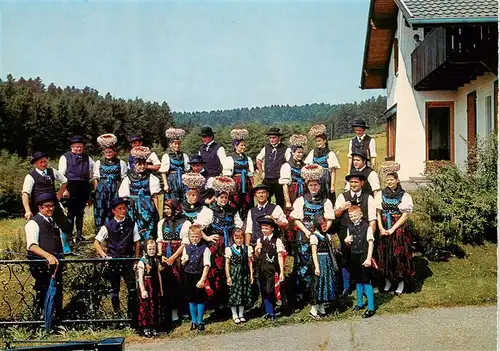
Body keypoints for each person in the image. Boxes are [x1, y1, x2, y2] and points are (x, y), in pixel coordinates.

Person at [196, 176, 243, 312]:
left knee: (230, 271)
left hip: (230, 242)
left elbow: (238, 226)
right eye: (220, 197)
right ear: (215, 198)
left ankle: (231, 300)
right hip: (216, 245)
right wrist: (208, 237)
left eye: (225, 198)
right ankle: (215, 303)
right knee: (216, 271)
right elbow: (197, 227)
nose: (223, 200)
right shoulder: (209, 210)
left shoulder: (232, 210)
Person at [290, 164, 335, 306]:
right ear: (307, 186)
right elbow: (296, 220)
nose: (314, 188)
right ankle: (306, 295)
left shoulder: (326, 201)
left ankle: (321, 295)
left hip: (320, 238)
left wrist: (323, 232)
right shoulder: (301, 200)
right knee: (304, 266)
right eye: (311, 185)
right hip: (304, 237)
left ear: (320, 186)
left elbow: (329, 219)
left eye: (316, 185)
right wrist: (307, 232)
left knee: (320, 266)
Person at [94, 197, 141, 319]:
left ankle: (132, 315)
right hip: (113, 262)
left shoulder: (132, 224)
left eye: (124, 208)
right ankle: (117, 315)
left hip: (127, 261)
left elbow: (137, 242)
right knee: (114, 290)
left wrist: (135, 259)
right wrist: (104, 255)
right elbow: (96, 242)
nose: (123, 211)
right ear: (114, 211)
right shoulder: (107, 226)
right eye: (120, 209)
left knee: (132, 290)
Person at [334, 171, 376, 297]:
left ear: (362, 183)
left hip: (363, 233)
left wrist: (370, 236)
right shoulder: (342, 196)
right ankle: (346, 287)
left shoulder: (368, 197)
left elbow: (372, 219)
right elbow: (335, 215)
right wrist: (342, 208)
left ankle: (363, 286)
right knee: (345, 258)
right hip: (346, 232)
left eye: (356, 182)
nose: (353, 184)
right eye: (351, 182)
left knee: (361, 259)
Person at [25, 193, 64, 322]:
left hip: (55, 265)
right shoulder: (33, 223)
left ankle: (55, 321)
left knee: (56, 292)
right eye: (47, 206)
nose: (51, 209)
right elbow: (32, 246)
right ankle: (41, 322)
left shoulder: (53, 222)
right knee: (43, 293)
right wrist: (47, 256)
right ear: (40, 207)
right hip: (41, 265)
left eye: (52, 206)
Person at [22, 151, 72, 254]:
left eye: (45, 161)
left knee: (65, 224)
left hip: (54, 204)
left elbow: (65, 181)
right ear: (35, 164)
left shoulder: (52, 171)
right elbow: (25, 194)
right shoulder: (30, 176)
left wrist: (59, 195)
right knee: (41, 227)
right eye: (41, 162)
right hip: (39, 207)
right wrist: (27, 210)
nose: (44, 164)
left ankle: (66, 249)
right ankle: (42, 250)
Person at [376, 171, 414, 295]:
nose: (389, 182)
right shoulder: (381, 194)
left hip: (398, 229)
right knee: (384, 254)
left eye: (392, 179)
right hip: (384, 227)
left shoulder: (404, 195)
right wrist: (381, 228)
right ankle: (388, 281)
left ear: (397, 180)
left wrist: (393, 229)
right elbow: (378, 212)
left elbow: (405, 216)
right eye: (387, 180)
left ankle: (400, 282)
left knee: (398, 255)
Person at [156, 200, 190, 327]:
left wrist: (174, 257)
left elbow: (185, 242)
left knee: (177, 283)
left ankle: (177, 313)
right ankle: (167, 313)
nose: (166, 211)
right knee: (165, 284)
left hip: (178, 254)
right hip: (164, 254)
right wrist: (161, 255)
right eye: (165, 208)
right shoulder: (161, 222)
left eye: (168, 208)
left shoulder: (185, 222)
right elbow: (159, 240)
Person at [118, 146, 161, 241]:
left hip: (147, 205)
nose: (142, 166)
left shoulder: (151, 177)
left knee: (148, 223)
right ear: (135, 165)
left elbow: (154, 196)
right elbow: (124, 196)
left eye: (143, 164)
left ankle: (148, 245)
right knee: (134, 225)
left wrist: (157, 210)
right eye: (139, 164)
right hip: (133, 205)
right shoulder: (129, 178)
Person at [58, 135, 94, 243]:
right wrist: (64, 190)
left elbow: (91, 174)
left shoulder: (88, 158)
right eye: (76, 146)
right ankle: (69, 237)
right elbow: (61, 175)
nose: (78, 149)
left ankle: (79, 236)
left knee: (80, 212)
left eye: (80, 146)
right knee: (70, 213)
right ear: (72, 147)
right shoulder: (65, 157)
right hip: (70, 186)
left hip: (83, 186)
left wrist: (89, 191)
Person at [92, 134, 128, 233]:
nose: (108, 154)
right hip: (102, 189)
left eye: (110, 152)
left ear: (114, 152)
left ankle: (115, 230)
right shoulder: (99, 163)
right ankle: (101, 231)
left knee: (114, 208)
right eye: (106, 152)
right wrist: (96, 191)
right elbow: (96, 178)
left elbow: (123, 178)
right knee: (101, 209)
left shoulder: (121, 163)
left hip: (115, 188)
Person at [345, 206, 376, 318]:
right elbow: (349, 242)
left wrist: (368, 258)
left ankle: (371, 308)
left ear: (361, 214)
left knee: (366, 281)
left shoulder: (367, 227)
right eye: (351, 216)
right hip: (354, 256)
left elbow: (371, 243)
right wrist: (346, 242)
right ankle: (359, 303)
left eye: (355, 215)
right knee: (357, 279)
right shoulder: (349, 227)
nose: (353, 218)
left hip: (364, 256)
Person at [181, 224, 211, 331]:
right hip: (188, 275)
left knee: (200, 299)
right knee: (191, 299)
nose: (194, 239)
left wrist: (202, 279)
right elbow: (183, 263)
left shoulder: (205, 249)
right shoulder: (186, 248)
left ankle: (200, 321)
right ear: (189, 237)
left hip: (199, 276)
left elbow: (206, 265)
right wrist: (184, 260)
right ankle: (193, 321)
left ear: (200, 237)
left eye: (196, 237)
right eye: (192, 236)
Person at [255, 217, 285, 320]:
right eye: (263, 228)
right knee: (263, 290)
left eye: (266, 228)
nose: (264, 230)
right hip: (262, 268)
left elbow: (280, 256)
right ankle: (268, 311)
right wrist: (257, 249)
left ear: (272, 228)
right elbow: (257, 256)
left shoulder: (277, 241)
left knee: (270, 290)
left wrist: (281, 272)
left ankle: (272, 311)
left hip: (272, 269)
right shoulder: (260, 240)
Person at [309, 215, 339, 319]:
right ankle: (313, 310)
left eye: (325, 224)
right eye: (322, 225)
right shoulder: (314, 237)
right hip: (320, 261)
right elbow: (313, 253)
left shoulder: (326, 236)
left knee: (324, 284)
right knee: (318, 284)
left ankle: (321, 308)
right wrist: (317, 267)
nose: (324, 226)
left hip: (327, 262)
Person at [244, 184, 288, 252]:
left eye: (263, 192)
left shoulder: (276, 208)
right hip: (255, 245)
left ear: (267, 194)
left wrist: (275, 221)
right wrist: (247, 248)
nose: (261, 195)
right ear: (255, 196)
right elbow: (249, 230)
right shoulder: (251, 211)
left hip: (272, 245)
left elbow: (286, 224)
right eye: (259, 193)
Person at [222, 129, 255, 220]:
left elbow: (250, 174)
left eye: (244, 145)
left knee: (247, 202)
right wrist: (229, 189)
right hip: (235, 183)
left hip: (246, 183)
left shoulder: (247, 158)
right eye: (241, 145)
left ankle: (247, 220)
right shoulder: (230, 158)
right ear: (235, 146)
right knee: (235, 201)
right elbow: (227, 176)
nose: (244, 147)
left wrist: (253, 186)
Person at [255, 127, 292, 208]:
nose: (271, 140)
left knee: (280, 200)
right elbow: (258, 159)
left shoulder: (286, 149)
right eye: (270, 138)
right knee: (264, 198)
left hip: (279, 179)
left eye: (274, 138)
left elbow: (290, 163)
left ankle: (279, 217)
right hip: (267, 179)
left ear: (279, 138)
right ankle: (264, 215)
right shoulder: (266, 148)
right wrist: (262, 172)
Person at [306, 124, 340, 203]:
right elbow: (307, 165)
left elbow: (333, 171)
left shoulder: (330, 153)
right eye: (317, 141)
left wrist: (332, 185)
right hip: (315, 178)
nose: (318, 143)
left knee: (326, 196)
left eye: (320, 141)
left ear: (325, 141)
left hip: (325, 178)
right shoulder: (313, 152)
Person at [225, 229, 253, 324]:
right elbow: (227, 264)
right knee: (234, 294)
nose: (239, 240)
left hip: (244, 274)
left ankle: (241, 314)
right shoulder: (230, 249)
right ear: (233, 238)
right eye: (237, 238)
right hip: (234, 274)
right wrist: (228, 276)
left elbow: (250, 262)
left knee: (243, 293)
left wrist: (251, 275)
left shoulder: (247, 248)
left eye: (241, 238)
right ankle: (234, 314)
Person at [137, 239, 163, 337]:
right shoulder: (142, 261)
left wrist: (161, 289)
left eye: (153, 249)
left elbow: (159, 274)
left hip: (155, 284)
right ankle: (145, 327)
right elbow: (140, 277)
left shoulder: (156, 260)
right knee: (145, 307)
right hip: (147, 285)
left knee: (155, 305)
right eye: (149, 249)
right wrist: (143, 289)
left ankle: (154, 326)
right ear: (145, 249)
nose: (151, 251)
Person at [160, 128, 190, 203]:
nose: (177, 145)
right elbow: (163, 172)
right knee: (173, 199)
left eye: (178, 143)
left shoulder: (184, 155)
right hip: (172, 179)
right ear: (171, 144)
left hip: (182, 179)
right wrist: (165, 184)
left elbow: (187, 170)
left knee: (184, 198)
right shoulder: (166, 156)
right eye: (175, 144)